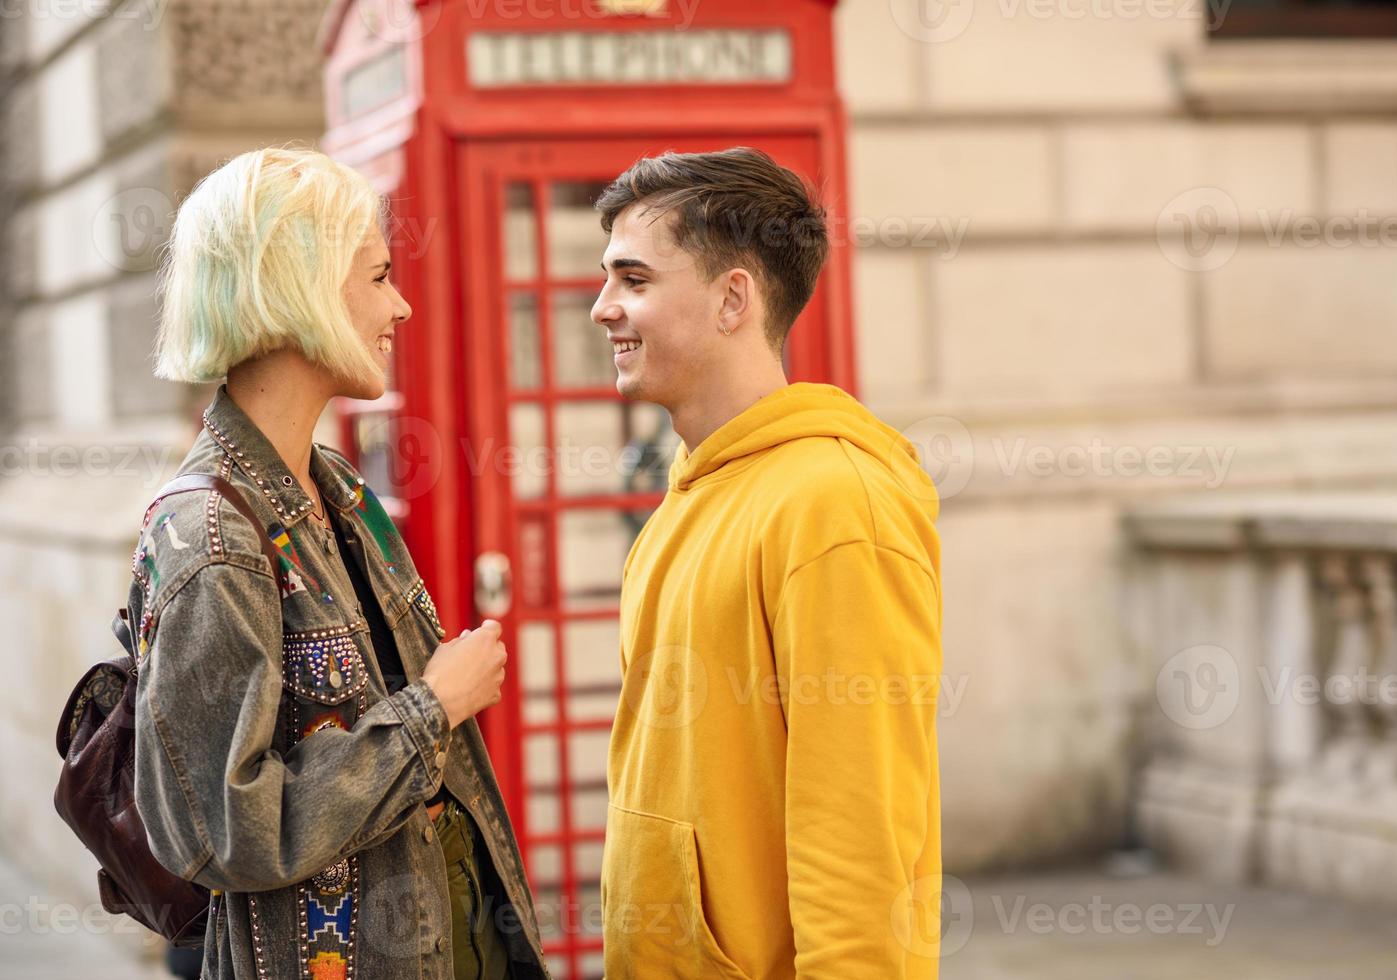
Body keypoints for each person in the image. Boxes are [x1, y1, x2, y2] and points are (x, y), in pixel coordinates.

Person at [132, 147, 549, 980]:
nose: (399, 304)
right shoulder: (212, 535)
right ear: (299, 289)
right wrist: (436, 707)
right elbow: (222, 827)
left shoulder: (338, 489)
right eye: (377, 276)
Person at [590, 147, 945, 978]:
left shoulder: (834, 503)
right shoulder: (695, 487)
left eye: (633, 280)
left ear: (732, 299)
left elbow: (859, 822)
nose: (602, 307)